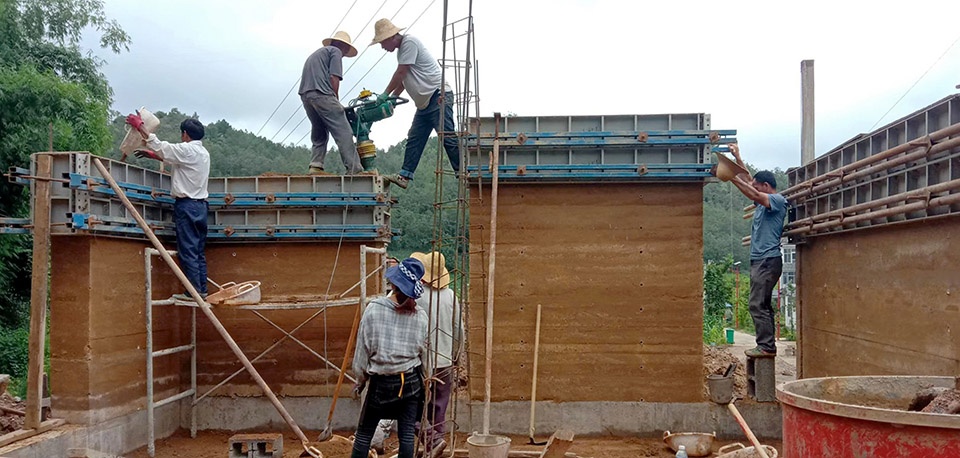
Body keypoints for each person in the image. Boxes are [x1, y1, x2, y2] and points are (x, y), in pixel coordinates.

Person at [125, 114, 211, 300]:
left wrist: (140, 126)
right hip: (201, 206)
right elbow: (177, 159)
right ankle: (201, 289)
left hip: (187, 206)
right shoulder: (203, 153)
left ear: (185, 134)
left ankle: (193, 292)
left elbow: (162, 146)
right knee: (197, 250)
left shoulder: (187, 150)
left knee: (187, 248)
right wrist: (155, 156)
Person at [351, 258, 429, 458]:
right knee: (406, 436)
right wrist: (426, 381)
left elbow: (362, 353)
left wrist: (359, 382)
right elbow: (425, 355)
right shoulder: (420, 316)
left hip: (381, 383)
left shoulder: (374, 310)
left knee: (364, 435)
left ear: (393, 284)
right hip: (411, 383)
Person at [369, 18, 460, 189]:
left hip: (437, 95)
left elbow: (402, 72)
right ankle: (405, 175)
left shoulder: (409, 42)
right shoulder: (402, 51)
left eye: (382, 42)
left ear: (391, 37)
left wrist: (385, 94)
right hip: (425, 102)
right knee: (415, 138)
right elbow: (405, 79)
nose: (382, 47)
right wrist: (394, 98)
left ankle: (462, 171)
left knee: (446, 134)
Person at [728, 144, 787, 357]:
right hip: (760, 260)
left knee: (757, 304)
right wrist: (737, 157)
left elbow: (750, 189)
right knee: (761, 303)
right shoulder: (763, 203)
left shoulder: (777, 201)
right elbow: (749, 182)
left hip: (767, 260)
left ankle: (766, 346)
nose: (753, 189)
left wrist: (731, 177)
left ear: (766, 186)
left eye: (757, 186)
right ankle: (766, 344)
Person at [410, 251, 462, 458]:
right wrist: (455, 355)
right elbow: (459, 329)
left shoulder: (417, 294)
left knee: (411, 404)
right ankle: (436, 439)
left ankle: (432, 439)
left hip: (421, 360)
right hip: (444, 358)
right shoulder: (451, 296)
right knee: (439, 404)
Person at [299, 31, 364, 175]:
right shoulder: (335, 52)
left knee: (320, 130)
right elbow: (334, 77)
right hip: (323, 94)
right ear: (344, 47)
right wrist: (335, 99)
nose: (346, 53)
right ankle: (355, 169)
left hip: (306, 96)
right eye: (346, 50)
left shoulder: (317, 54)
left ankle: (316, 165)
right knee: (344, 131)